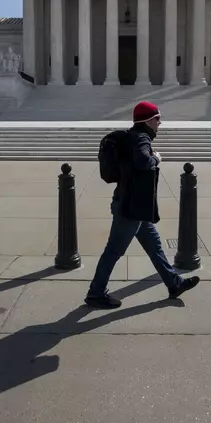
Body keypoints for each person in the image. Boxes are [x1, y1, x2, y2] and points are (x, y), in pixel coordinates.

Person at [85, 101, 199, 309]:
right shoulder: (142, 138)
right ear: (148, 121)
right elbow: (143, 162)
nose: (160, 123)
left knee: (155, 246)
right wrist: (156, 158)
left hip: (132, 204)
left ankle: (174, 284)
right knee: (113, 251)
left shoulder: (131, 135)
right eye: (157, 119)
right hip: (130, 208)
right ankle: (95, 293)